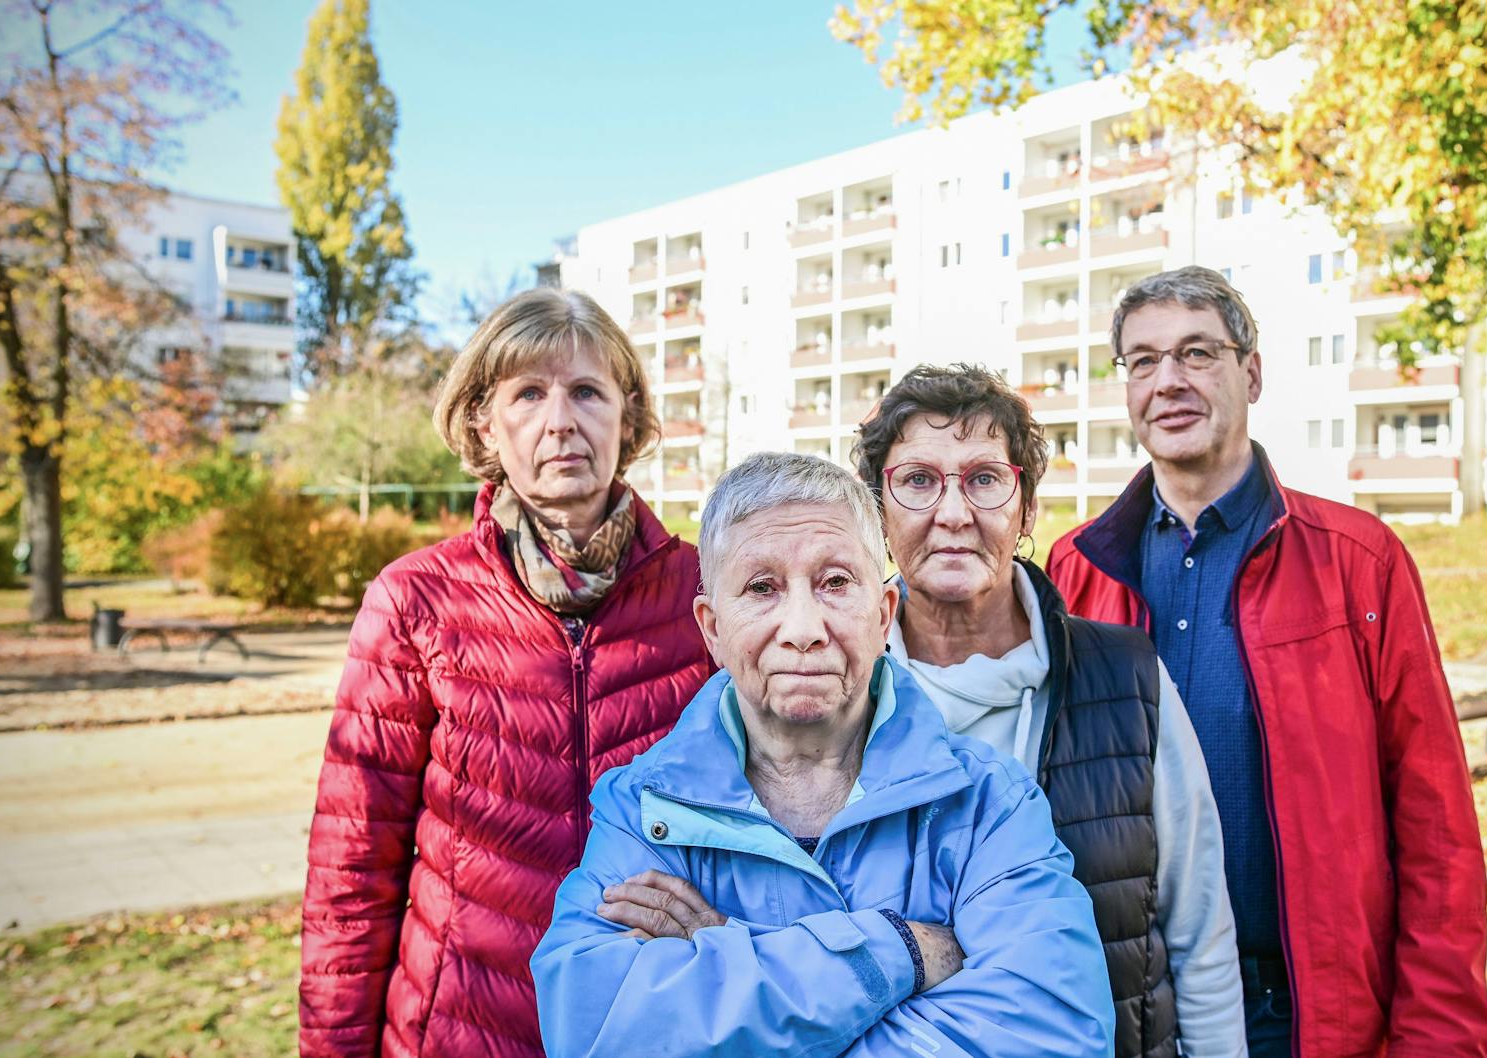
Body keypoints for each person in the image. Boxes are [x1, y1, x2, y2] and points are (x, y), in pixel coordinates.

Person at [1046, 267, 1487, 1057]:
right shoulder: (1075, 571)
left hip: (1302, 1017)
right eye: (1143, 361)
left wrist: (1438, 1037)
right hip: (1124, 1016)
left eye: (1196, 353)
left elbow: (1437, 832)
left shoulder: (1361, 564)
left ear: (1251, 372)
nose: (1169, 381)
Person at [532, 452, 1115, 1058]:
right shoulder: (643, 809)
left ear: (884, 614)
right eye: (762, 588)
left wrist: (732, 956)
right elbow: (593, 1029)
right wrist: (900, 951)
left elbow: (1054, 1034)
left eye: (835, 582)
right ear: (712, 629)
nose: (803, 626)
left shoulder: (989, 802)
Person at [298, 288, 714, 1058]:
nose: (561, 420)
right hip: (461, 1027)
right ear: (485, 422)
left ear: (627, 415)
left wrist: (729, 937)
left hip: (656, 1018)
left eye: (587, 391)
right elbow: (352, 865)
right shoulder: (415, 598)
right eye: (529, 393)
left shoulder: (706, 593)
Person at [855, 364, 1246, 1058]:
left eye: (984, 479)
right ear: (879, 512)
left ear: (1028, 508)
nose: (953, 513)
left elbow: (1200, 934)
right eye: (917, 481)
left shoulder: (1127, 678)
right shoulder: (834, 696)